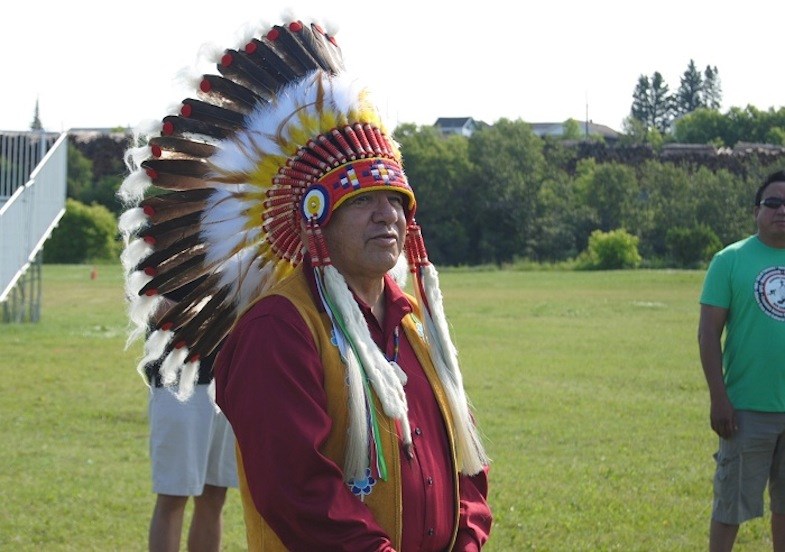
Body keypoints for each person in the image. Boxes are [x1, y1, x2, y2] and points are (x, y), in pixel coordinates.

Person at [117, 16, 491, 551]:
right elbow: (297, 491)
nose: (388, 216)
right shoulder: (277, 328)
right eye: (362, 201)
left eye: (396, 200)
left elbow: (467, 463)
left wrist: (468, 541)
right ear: (315, 218)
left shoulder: (413, 323)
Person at [699, 169, 785, 551]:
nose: (781, 210)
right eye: (773, 202)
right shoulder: (729, 260)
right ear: (756, 210)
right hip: (747, 409)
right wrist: (720, 399)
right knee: (730, 505)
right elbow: (707, 335)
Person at [143, 296, 238, 552]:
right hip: (178, 386)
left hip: (229, 382)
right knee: (173, 496)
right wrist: (228, 311)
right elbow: (157, 308)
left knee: (215, 495)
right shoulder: (155, 254)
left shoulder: (236, 254)